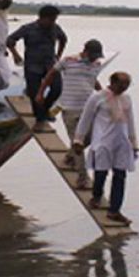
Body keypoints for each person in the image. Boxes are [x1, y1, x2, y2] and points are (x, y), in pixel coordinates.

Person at [37, 39, 108, 187]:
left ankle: (70, 156)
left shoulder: (96, 65)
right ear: (85, 51)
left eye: (97, 56)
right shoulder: (68, 61)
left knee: (92, 136)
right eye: (93, 55)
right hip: (69, 108)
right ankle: (82, 177)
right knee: (77, 141)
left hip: (89, 108)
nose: (95, 58)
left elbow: (93, 80)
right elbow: (50, 75)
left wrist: (104, 96)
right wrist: (41, 93)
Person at [73, 72, 138, 224]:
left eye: (126, 86)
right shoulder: (98, 97)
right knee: (101, 172)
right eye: (121, 85)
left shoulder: (126, 99)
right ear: (113, 83)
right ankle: (96, 196)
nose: (123, 89)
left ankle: (115, 210)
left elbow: (130, 121)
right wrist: (78, 139)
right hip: (103, 140)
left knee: (120, 176)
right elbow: (85, 118)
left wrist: (133, 143)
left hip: (121, 142)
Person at [7, 4, 67, 129]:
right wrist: (15, 55)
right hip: (32, 65)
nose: (53, 22)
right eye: (51, 19)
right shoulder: (28, 29)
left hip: (50, 65)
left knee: (57, 89)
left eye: (55, 20)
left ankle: (45, 109)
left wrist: (58, 55)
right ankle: (39, 118)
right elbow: (10, 40)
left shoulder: (55, 28)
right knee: (35, 94)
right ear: (42, 18)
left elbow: (63, 39)